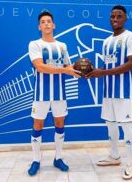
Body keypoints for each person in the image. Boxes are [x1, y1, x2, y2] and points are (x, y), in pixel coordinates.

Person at [86, 5, 132, 180]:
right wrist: (93, 72)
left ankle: (131, 163)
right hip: (108, 91)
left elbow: (130, 64)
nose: (115, 19)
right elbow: (108, 66)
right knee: (110, 123)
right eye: (112, 16)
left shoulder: (131, 37)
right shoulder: (107, 41)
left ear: (125, 18)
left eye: (119, 16)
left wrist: (102, 73)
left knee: (126, 125)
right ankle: (114, 156)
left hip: (124, 91)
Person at [27, 11, 81, 176]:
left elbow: (68, 66)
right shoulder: (34, 44)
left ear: (54, 25)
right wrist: (65, 69)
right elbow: (40, 67)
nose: (46, 24)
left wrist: (81, 70)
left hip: (59, 94)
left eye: (49, 21)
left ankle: (58, 158)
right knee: (38, 125)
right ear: (39, 26)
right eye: (43, 22)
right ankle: (36, 160)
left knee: (59, 124)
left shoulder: (62, 46)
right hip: (40, 94)